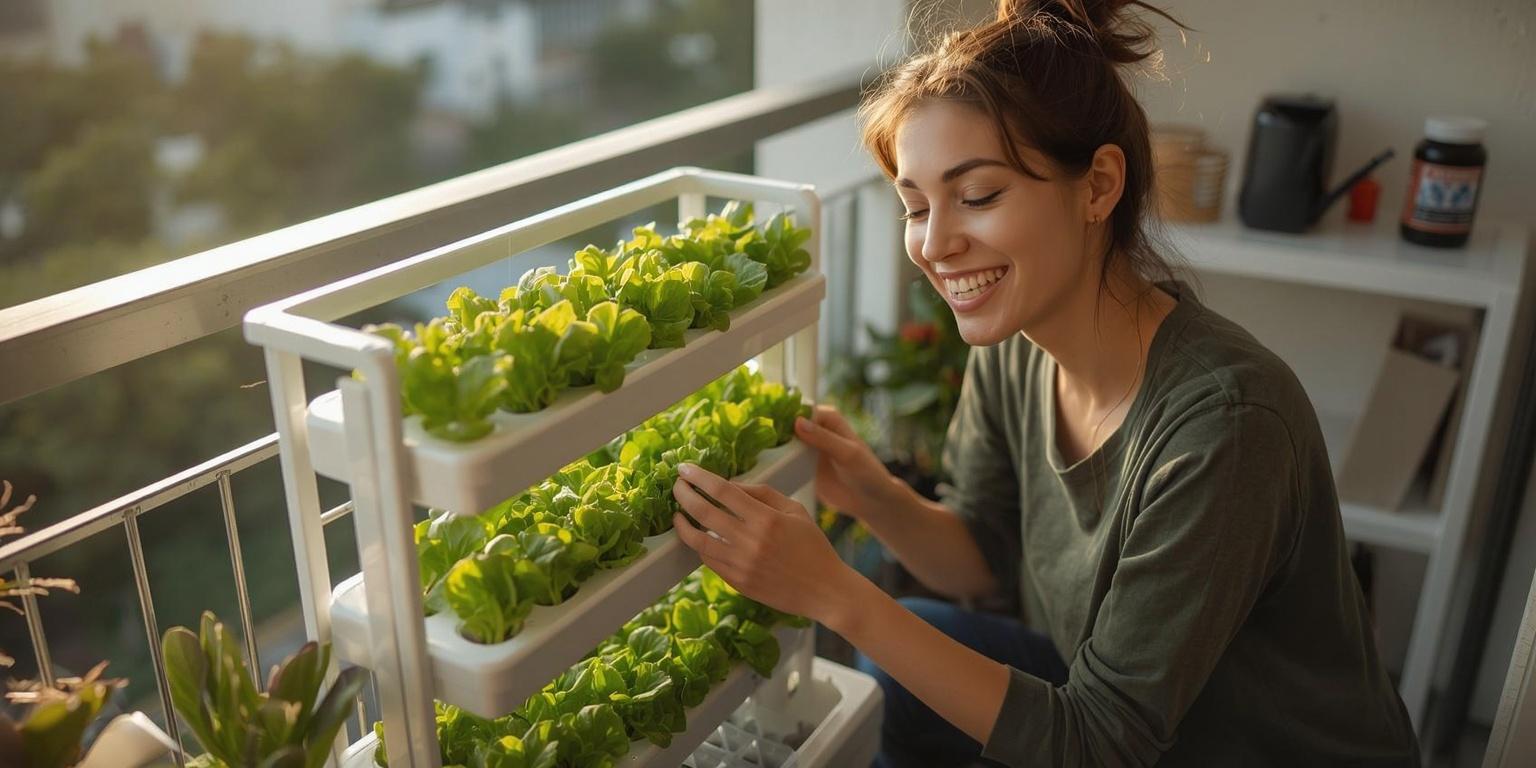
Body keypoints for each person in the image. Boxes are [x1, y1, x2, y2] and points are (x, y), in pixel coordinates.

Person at [668, 0, 1422, 765]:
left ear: (1098, 187)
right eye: (915, 206)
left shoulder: (1224, 426)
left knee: (896, 643)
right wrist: (869, 492)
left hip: (1233, 748)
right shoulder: (1016, 343)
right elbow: (986, 556)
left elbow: (1097, 743)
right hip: (1124, 714)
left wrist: (834, 593)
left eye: (979, 196)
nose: (935, 245)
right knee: (915, 651)